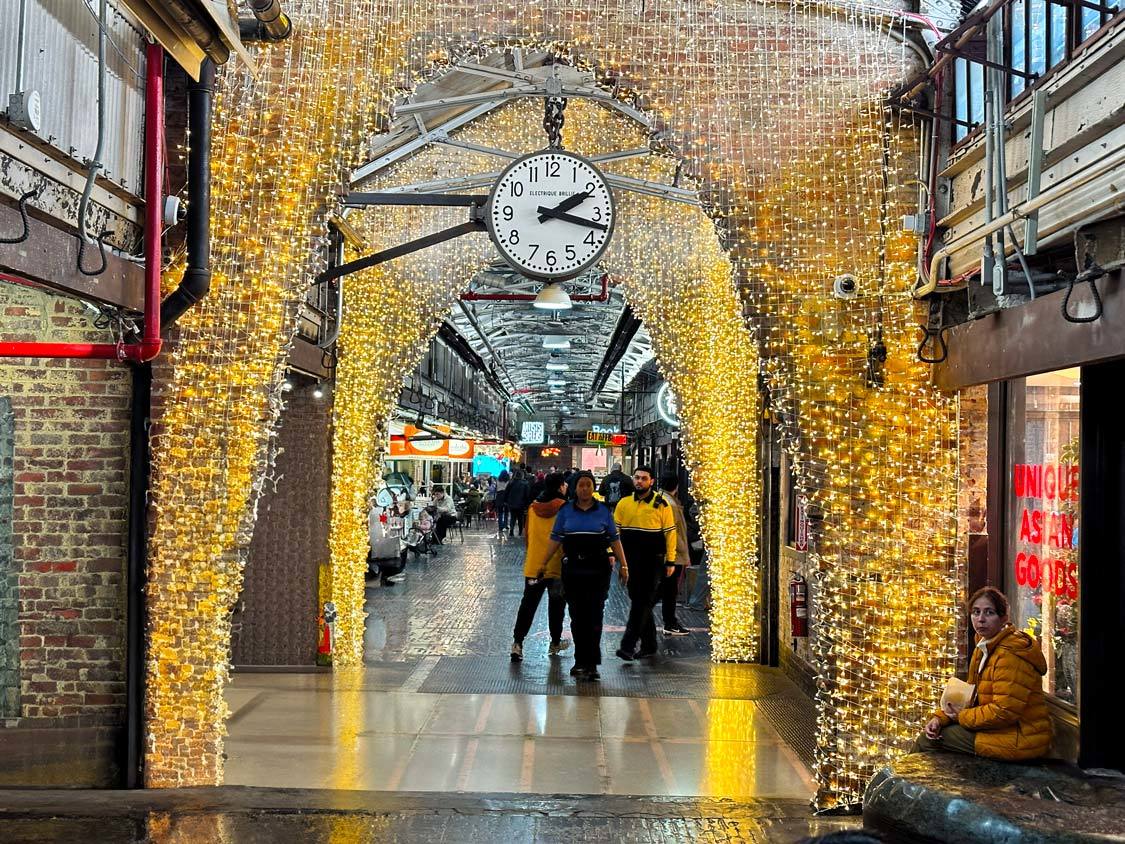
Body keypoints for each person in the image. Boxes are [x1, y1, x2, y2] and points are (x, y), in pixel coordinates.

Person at [914, 586, 1052, 760]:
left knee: (927, 742)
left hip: (1021, 738)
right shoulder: (984, 644)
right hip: (998, 730)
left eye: (989, 613)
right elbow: (970, 696)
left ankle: (912, 787)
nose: (980, 620)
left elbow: (1005, 711)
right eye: (976, 612)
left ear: (1004, 619)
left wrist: (961, 717)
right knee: (934, 732)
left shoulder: (1010, 654)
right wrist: (940, 718)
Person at [531, 471, 628, 681]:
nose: (585, 489)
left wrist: (624, 565)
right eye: (581, 485)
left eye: (589, 485)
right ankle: (579, 661)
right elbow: (555, 539)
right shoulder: (566, 511)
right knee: (577, 616)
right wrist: (543, 563)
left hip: (598, 569)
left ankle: (591, 663)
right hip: (573, 569)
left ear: (593, 488)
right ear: (575, 488)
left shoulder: (603, 511)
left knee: (594, 616)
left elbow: (614, 539)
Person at [613, 466, 676, 661]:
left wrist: (671, 560)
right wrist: (613, 554)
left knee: (641, 602)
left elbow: (670, 532)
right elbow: (615, 532)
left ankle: (627, 646)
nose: (639, 481)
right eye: (637, 478)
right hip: (630, 560)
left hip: (653, 561)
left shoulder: (661, 504)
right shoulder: (624, 504)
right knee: (639, 600)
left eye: (644, 478)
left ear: (652, 481)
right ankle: (649, 645)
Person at [510, 473, 572, 662]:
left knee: (528, 605)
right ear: (561, 486)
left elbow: (527, 536)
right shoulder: (565, 508)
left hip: (534, 566)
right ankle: (554, 642)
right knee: (556, 606)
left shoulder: (532, 508)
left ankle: (517, 643)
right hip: (557, 566)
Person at [658, 473, 691, 636]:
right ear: (676, 487)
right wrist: (684, 551)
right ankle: (670, 622)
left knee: (665, 589)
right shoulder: (670, 504)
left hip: (666, 553)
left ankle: (669, 621)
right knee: (669, 590)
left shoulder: (660, 499)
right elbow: (674, 532)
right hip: (673, 554)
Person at [505, 469, 531, 538]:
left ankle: (511, 531)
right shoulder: (525, 483)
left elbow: (506, 492)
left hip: (511, 503)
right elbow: (527, 495)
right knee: (520, 518)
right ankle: (520, 531)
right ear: (522, 476)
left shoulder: (511, 482)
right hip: (521, 504)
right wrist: (527, 504)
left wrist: (506, 501)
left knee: (513, 517)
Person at [495, 470, 510, 534]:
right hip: (506, 496)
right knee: (506, 511)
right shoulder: (508, 481)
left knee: (500, 512)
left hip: (499, 496)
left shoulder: (498, 480)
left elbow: (496, 488)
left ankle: (500, 526)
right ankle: (505, 525)